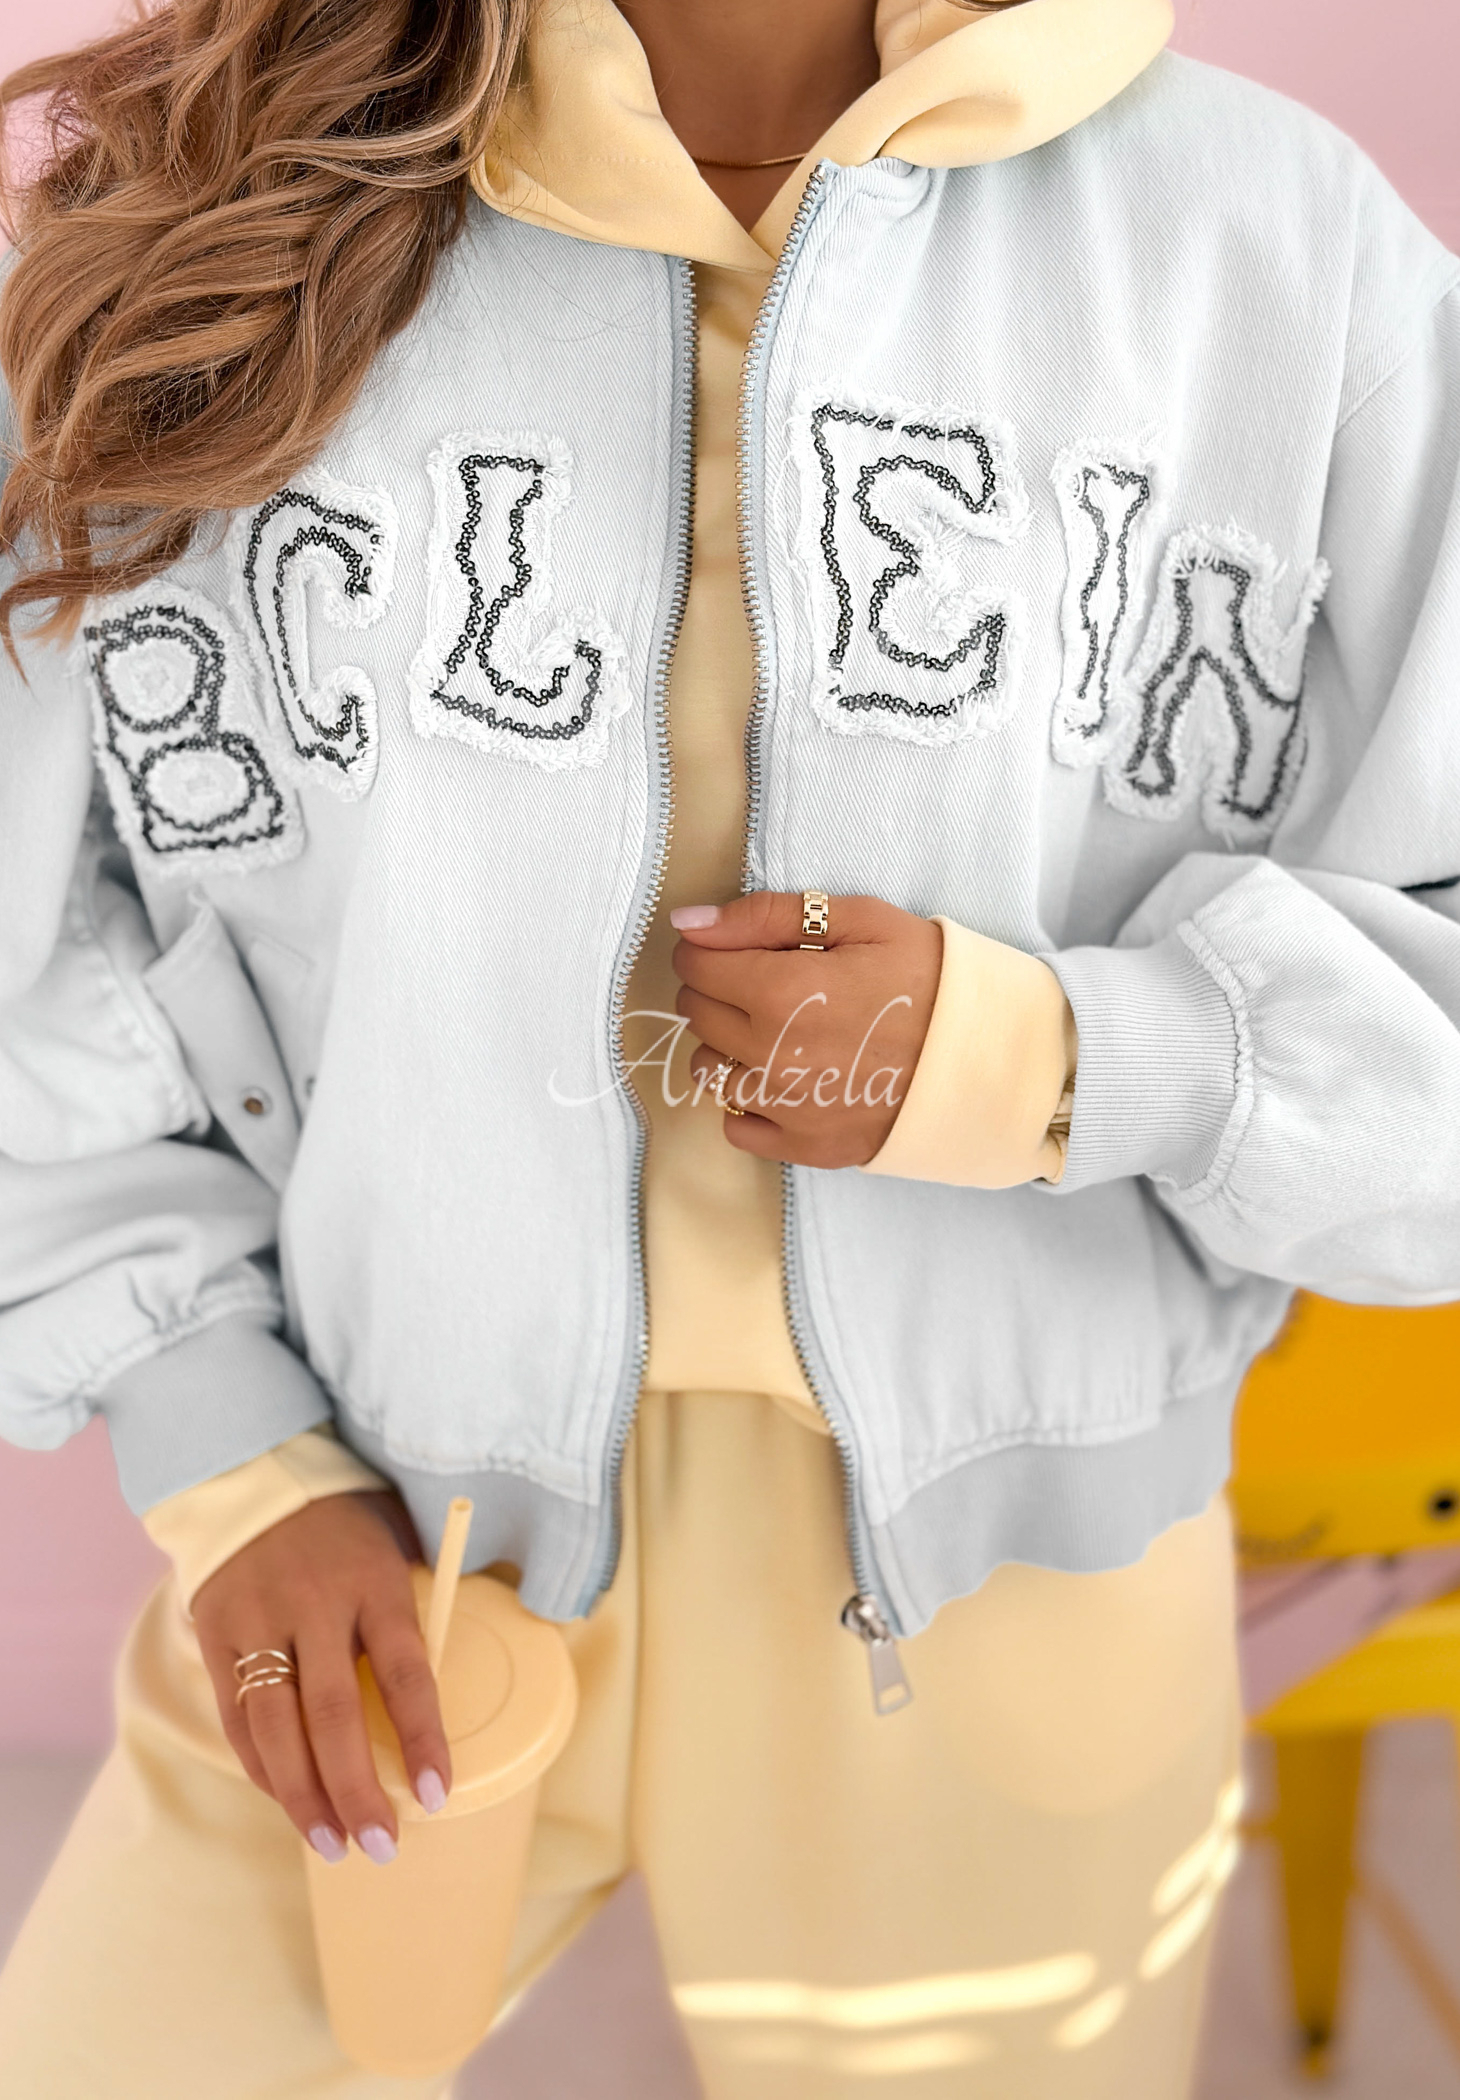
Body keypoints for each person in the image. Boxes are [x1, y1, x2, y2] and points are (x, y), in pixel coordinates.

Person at [1, 0, 1457, 2092]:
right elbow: (41, 921)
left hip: (1004, 1590)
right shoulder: (196, 217)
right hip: (371, 1519)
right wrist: (227, 1453)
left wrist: (1060, 1059)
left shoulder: (1278, 248)